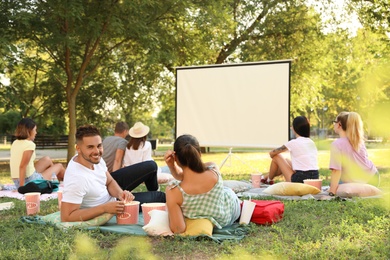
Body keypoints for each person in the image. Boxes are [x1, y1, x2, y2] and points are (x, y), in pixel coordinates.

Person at [61, 125, 166, 222]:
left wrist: (121, 193)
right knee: (160, 197)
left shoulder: (94, 159)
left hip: (109, 192)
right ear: (78, 149)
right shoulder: (77, 178)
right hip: (108, 205)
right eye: (90, 147)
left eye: (99, 146)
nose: (97, 151)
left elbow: (109, 181)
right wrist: (104, 208)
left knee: (151, 166)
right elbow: (67, 216)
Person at [164, 134, 241, 234]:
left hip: (224, 211)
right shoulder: (213, 168)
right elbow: (189, 175)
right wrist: (172, 167)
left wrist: (172, 166)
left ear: (176, 158)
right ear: (199, 154)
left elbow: (178, 229)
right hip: (229, 215)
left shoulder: (173, 192)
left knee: (227, 190)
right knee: (227, 190)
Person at [328, 112, 378, 196]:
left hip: (361, 181)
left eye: (335, 122)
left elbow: (336, 171)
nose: (334, 124)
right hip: (373, 178)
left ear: (339, 125)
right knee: (337, 184)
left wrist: (331, 193)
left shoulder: (336, 145)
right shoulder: (358, 141)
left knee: (333, 185)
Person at [10, 118, 66, 189]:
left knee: (47, 159)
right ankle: (70, 182)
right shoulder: (30, 144)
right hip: (29, 181)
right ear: (29, 131)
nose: (36, 133)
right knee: (59, 166)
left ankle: (54, 181)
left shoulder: (15, 142)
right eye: (35, 130)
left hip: (17, 180)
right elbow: (22, 166)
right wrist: (21, 187)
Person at [261, 116, 319, 184]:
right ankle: (265, 177)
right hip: (315, 178)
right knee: (286, 160)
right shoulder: (311, 142)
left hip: (300, 179)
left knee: (276, 157)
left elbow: (272, 154)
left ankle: (269, 180)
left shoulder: (293, 143)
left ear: (294, 128)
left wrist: (272, 152)